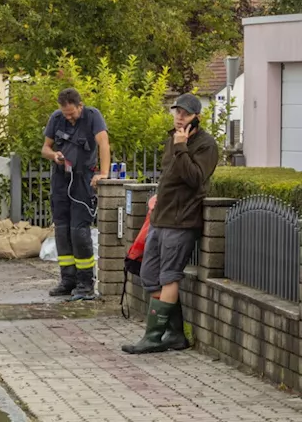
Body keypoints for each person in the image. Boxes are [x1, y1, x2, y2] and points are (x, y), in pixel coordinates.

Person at [123, 93, 219, 355]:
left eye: (185, 114)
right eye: (177, 112)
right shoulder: (172, 139)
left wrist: (181, 147)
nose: (179, 117)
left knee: (168, 276)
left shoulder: (205, 144)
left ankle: (153, 337)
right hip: (161, 218)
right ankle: (174, 334)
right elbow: (169, 177)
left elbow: (194, 178)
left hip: (182, 220)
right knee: (150, 276)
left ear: (196, 117)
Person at [41, 88, 110, 301]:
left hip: (82, 181)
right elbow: (45, 148)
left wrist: (104, 174)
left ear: (80, 106)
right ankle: (67, 280)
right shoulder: (56, 118)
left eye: (72, 113)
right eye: (65, 114)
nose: (68, 117)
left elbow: (103, 144)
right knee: (62, 231)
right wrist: (54, 155)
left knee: (79, 232)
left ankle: (86, 283)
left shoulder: (93, 116)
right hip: (61, 180)